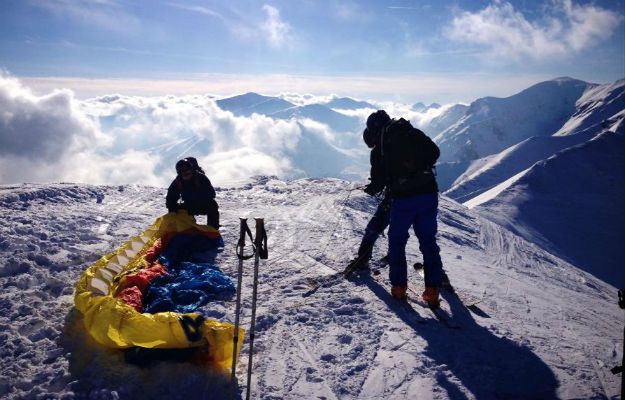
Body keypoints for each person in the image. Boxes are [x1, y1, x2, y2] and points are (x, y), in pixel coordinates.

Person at [365, 110, 446, 306]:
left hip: (403, 200)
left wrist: (371, 188)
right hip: (428, 194)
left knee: (397, 241)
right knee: (428, 241)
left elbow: (378, 181)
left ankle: (399, 288)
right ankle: (433, 291)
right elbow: (434, 152)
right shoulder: (410, 132)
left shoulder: (381, 148)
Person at [346, 127, 391, 271]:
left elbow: (378, 183)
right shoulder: (402, 143)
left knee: (373, 228)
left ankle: (363, 259)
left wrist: (371, 189)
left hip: (397, 197)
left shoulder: (379, 152)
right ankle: (438, 277)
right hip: (425, 194)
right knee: (425, 239)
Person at [166, 158, 220, 229]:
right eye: (183, 174)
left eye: (188, 173)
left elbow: (212, 193)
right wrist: (172, 209)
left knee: (213, 206)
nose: (186, 176)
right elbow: (170, 197)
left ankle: (212, 230)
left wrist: (198, 198)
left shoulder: (201, 178)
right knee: (176, 210)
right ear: (179, 174)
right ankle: (184, 230)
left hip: (202, 204)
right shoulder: (178, 181)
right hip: (189, 205)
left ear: (191, 170)